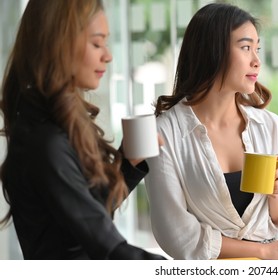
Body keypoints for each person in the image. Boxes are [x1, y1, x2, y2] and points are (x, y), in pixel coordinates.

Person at [145, 3, 278, 260]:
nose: (257, 61)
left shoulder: (270, 126)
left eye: (257, 49)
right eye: (246, 47)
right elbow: (176, 235)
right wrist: (264, 251)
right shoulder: (165, 133)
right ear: (212, 52)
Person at [0, 0, 165, 260]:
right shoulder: (45, 142)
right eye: (97, 43)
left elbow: (87, 217)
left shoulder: (52, 126)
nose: (108, 56)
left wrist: (129, 163)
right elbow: (105, 247)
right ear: (58, 45)